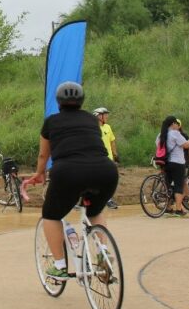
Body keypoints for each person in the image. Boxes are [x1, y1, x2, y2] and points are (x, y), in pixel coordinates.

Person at [25, 82, 119, 279]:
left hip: (69, 172)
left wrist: (39, 174)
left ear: (59, 102)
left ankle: (60, 265)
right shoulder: (92, 120)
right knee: (96, 210)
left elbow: (44, 156)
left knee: (51, 215)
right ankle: (103, 254)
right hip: (106, 170)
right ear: (81, 101)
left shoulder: (51, 122)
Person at [156, 116, 189, 214]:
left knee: (168, 185)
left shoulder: (161, 135)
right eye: (176, 123)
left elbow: (158, 145)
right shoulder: (175, 133)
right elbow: (185, 145)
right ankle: (178, 209)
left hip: (166, 163)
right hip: (178, 163)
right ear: (173, 124)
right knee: (178, 186)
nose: (177, 125)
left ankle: (168, 208)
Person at [92, 107, 121, 209]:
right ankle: (104, 200)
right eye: (105, 114)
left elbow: (112, 141)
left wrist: (115, 155)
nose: (107, 116)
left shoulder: (108, 127)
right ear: (99, 116)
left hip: (109, 159)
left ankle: (107, 199)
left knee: (110, 180)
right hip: (98, 159)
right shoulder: (93, 128)